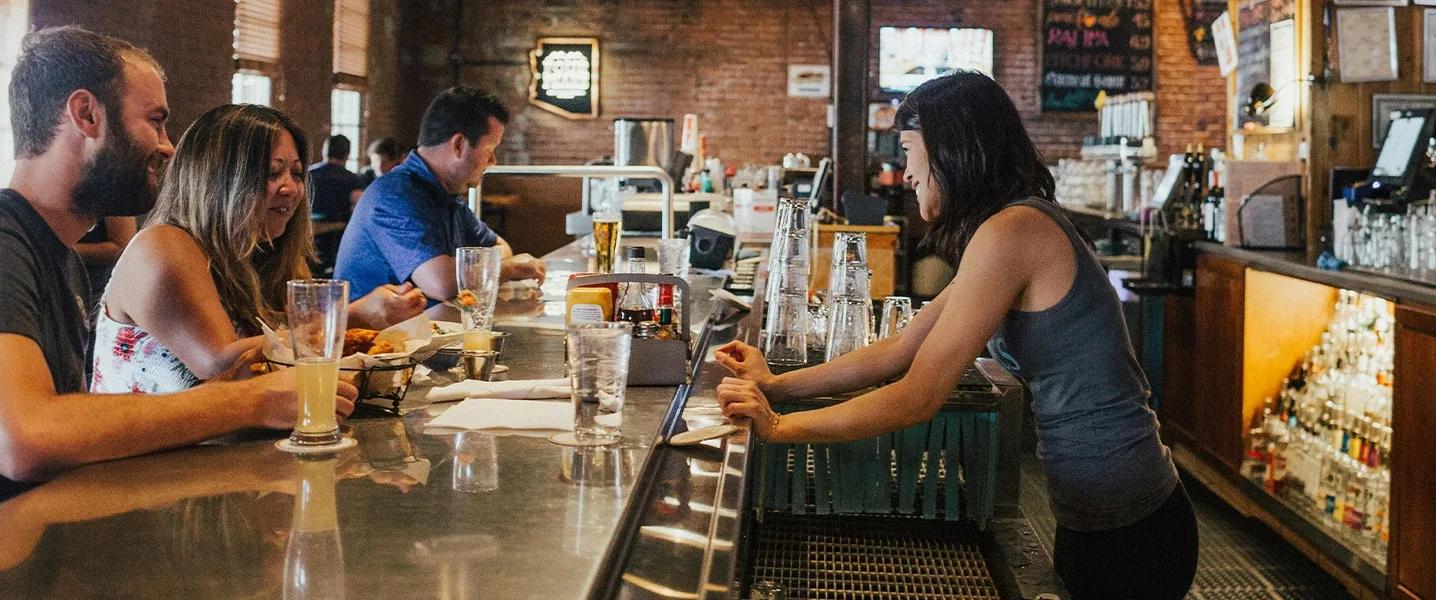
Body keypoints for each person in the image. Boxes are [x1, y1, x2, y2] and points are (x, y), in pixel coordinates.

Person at [714, 72, 1198, 600]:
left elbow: (918, 395)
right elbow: (901, 349)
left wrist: (781, 427)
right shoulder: (1008, 230)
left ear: (951, 149)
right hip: (1097, 511)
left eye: (907, 151)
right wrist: (776, 386)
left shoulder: (1014, 233)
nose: (905, 173)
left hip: (1132, 523)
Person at [0, 26, 355, 486]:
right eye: (155, 120)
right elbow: (23, 439)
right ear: (87, 115)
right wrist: (250, 399)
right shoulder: (7, 244)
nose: (168, 146)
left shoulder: (57, 255)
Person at [95, 104, 426, 394]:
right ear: (216, 179)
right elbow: (226, 368)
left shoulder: (267, 252)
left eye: (297, 173)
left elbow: (301, 362)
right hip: (148, 464)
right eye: (272, 172)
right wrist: (353, 316)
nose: (291, 188)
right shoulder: (163, 246)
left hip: (240, 456)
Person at [335, 86, 545, 317]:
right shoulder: (395, 194)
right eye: (490, 149)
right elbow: (441, 283)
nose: (493, 161)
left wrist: (473, 269)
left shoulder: (447, 193)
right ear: (458, 145)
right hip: (372, 347)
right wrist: (509, 268)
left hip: (421, 337)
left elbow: (500, 247)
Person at [308, 134, 365, 275]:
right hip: (336, 244)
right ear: (346, 155)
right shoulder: (352, 180)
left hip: (307, 238)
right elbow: (361, 209)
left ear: (324, 151)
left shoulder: (307, 175)